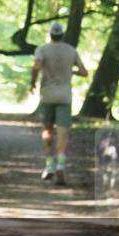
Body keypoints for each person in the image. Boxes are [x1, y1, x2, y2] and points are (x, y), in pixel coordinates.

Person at [30, 21, 87, 186]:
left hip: (47, 95)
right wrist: (72, 71)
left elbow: (36, 66)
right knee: (63, 132)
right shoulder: (71, 50)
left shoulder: (42, 49)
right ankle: (61, 164)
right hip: (65, 96)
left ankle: (49, 165)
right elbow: (84, 72)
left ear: (50, 35)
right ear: (62, 35)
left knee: (47, 129)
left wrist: (32, 83)